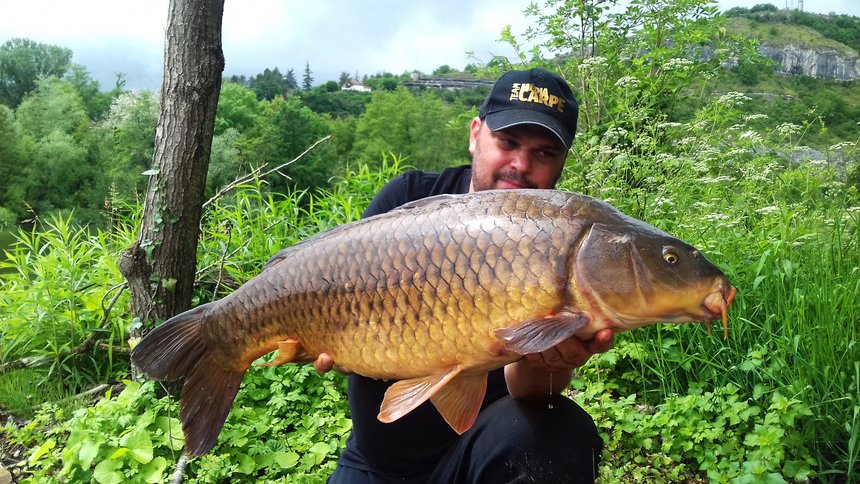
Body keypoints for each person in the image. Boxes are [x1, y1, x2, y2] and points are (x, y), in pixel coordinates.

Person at [316, 68, 614, 483]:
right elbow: (329, 291)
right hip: (377, 462)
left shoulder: (566, 248)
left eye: (544, 153)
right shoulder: (407, 200)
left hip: (477, 455)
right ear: (476, 134)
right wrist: (325, 334)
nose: (520, 165)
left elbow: (526, 393)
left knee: (560, 431)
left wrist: (550, 361)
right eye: (507, 142)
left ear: (562, 163)